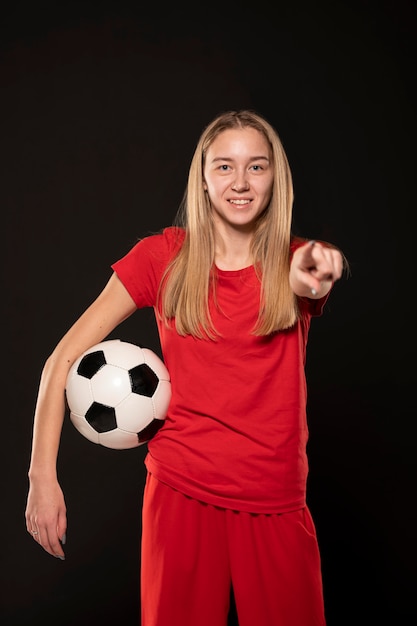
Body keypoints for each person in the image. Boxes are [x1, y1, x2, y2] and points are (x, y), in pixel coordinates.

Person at [25, 109, 347, 626]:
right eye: (224, 166)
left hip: (276, 499)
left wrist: (322, 270)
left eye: (256, 167)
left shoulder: (293, 262)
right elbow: (61, 360)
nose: (240, 182)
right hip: (181, 494)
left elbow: (315, 275)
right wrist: (43, 478)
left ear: (275, 178)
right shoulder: (163, 258)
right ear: (202, 176)